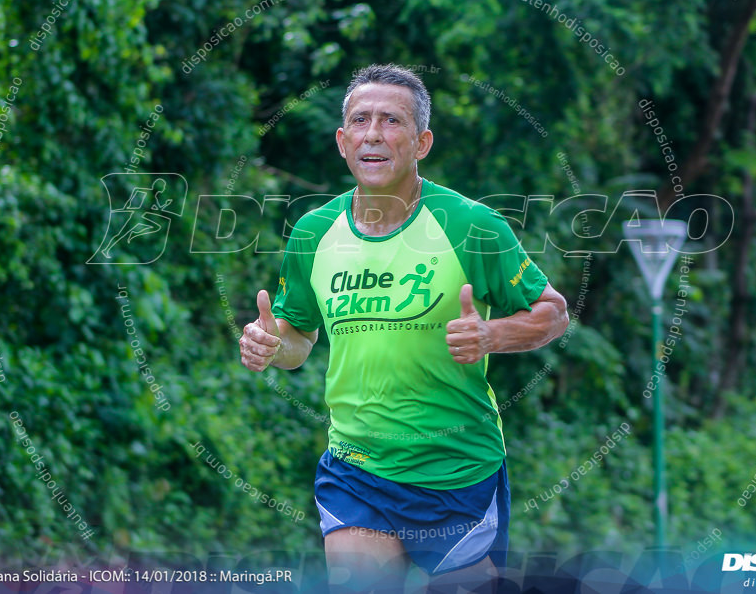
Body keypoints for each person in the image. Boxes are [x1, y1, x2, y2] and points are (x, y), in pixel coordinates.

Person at [239, 64, 568, 592]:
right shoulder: (313, 232)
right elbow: (299, 338)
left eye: (391, 121)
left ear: (422, 141)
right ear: (343, 141)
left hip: (456, 470)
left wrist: (492, 336)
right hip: (356, 471)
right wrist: (273, 344)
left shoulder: (470, 225)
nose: (374, 133)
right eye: (360, 121)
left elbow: (552, 312)